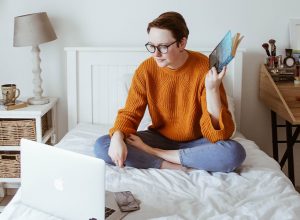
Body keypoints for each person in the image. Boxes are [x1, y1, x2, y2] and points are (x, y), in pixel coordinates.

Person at [94, 11, 246, 172]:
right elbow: (130, 114)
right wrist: (117, 136)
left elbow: (219, 136)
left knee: (234, 152)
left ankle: (158, 155)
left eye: (163, 47)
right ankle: (168, 164)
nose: (156, 54)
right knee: (103, 145)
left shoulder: (203, 68)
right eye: (152, 46)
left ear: (182, 43)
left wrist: (212, 89)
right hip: (159, 138)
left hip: (198, 142)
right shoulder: (146, 70)